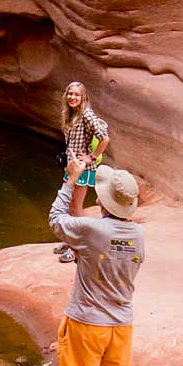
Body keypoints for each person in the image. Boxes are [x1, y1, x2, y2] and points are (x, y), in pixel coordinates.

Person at [47, 158, 146, 366]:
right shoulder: (138, 234)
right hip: (121, 322)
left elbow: (56, 220)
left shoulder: (93, 229)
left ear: (104, 201)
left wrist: (71, 180)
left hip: (88, 320)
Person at [55, 81, 111, 263]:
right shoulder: (70, 114)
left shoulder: (87, 114)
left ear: (83, 97)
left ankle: (78, 247)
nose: (72, 97)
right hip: (73, 167)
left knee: (75, 206)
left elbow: (104, 138)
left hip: (83, 169)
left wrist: (92, 157)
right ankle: (71, 240)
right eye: (70, 94)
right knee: (70, 205)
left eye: (76, 95)